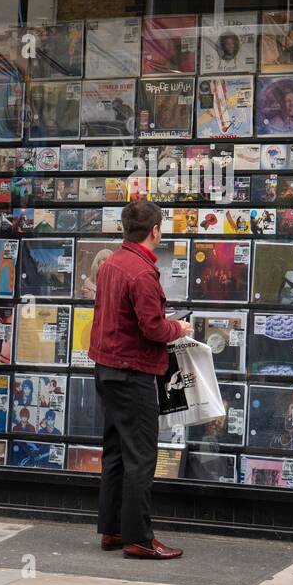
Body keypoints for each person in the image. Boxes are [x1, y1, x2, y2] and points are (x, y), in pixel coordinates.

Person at [88, 200, 193, 560]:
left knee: (116, 452)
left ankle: (113, 529)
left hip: (107, 368)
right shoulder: (142, 272)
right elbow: (152, 328)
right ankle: (139, 538)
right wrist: (179, 327)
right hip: (132, 372)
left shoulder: (112, 265)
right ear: (155, 231)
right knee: (141, 456)